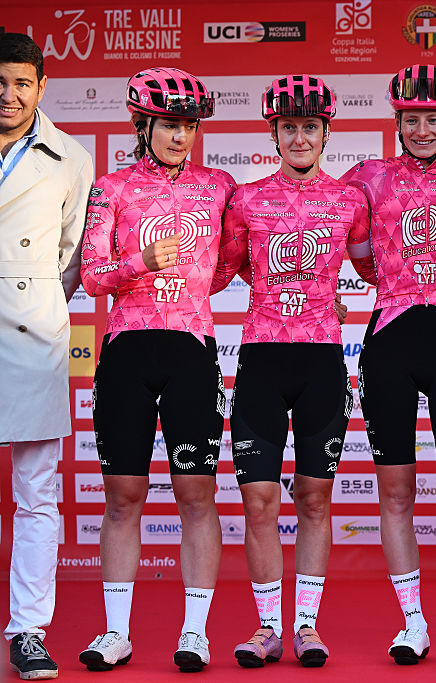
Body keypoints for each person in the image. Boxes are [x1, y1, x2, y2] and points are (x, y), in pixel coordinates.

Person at [210, 75, 375, 668]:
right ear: (273, 134)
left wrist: (325, 299)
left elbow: (374, 266)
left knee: (313, 498)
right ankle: (265, 629)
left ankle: (306, 625)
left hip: (322, 360)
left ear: (327, 132)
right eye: (289, 128)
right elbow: (227, 268)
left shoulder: (350, 200)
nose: (299, 137)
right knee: (257, 501)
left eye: (310, 127)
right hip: (259, 356)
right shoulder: (246, 198)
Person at [338, 64, 436, 672]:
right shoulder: (368, 177)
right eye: (412, 119)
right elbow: (353, 251)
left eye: (434, 118)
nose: (423, 128)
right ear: (397, 121)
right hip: (389, 339)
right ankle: (413, 624)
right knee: (395, 493)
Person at [78, 67, 235, 673]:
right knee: (123, 496)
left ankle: (194, 633)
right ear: (143, 124)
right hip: (127, 349)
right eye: (169, 124)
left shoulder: (218, 186)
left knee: (197, 494)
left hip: (192, 349)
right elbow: (92, 277)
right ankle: (115, 633)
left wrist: (192, 291)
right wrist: (139, 263)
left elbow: (231, 261)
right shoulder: (111, 188)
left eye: (188, 125)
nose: (180, 136)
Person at [0, 32, 93, 681]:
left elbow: (73, 258)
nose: (8, 96)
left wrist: (31, 299)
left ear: (40, 85)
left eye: (21, 83)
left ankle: (27, 629)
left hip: (32, 328)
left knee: (36, 492)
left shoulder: (71, 159)